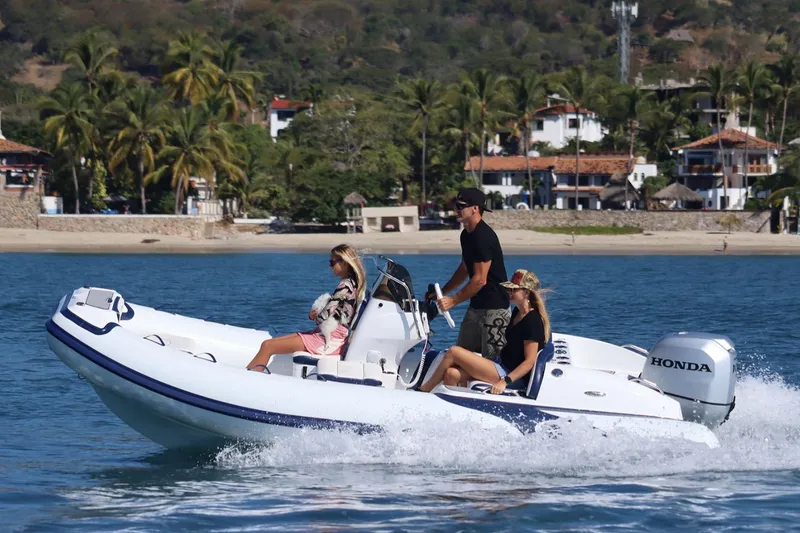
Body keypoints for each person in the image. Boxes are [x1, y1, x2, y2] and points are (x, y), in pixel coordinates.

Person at [420, 269, 550, 395]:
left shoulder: (532, 321)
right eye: (509, 288)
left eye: (513, 289)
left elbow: (529, 362)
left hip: (510, 374)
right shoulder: (517, 313)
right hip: (500, 364)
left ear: (526, 292)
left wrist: (505, 382)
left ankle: (424, 391)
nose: (509, 292)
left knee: (454, 352)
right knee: (451, 374)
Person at [246, 244, 367, 372]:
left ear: (345, 263)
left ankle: (248, 381)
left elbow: (326, 314)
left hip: (328, 340)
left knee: (268, 346)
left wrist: (314, 316)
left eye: (332, 262)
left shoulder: (345, 286)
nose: (330, 266)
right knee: (268, 343)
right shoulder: (353, 284)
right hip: (332, 335)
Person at [433, 188, 510, 360]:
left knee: (491, 362)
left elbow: (479, 280)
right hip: (476, 306)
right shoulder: (466, 235)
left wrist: (453, 300)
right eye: (456, 205)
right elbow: (465, 268)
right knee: (461, 356)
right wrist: (444, 292)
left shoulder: (483, 236)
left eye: (461, 206)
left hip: (495, 310)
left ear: (475, 208)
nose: (456, 209)